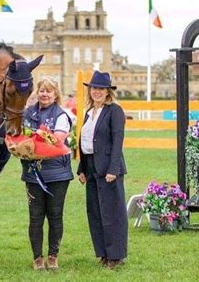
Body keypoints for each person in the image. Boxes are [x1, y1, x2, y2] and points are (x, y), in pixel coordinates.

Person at [20, 77, 73, 271]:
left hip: (58, 174)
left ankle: (53, 256)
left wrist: (32, 142)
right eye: (41, 90)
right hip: (33, 174)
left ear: (55, 94)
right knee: (35, 217)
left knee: (55, 216)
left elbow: (57, 140)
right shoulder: (27, 113)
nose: (44, 94)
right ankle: (37, 258)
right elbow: (18, 135)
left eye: (48, 91)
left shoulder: (62, 115)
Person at [77, 70, 128, 270]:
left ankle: (116, 256)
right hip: (91, 167)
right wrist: (82, 168)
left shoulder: (114, 111)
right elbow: (85, 143)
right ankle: (104, 253)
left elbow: (118, 142)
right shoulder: (89, 113)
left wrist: (113, 169)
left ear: (108, 92)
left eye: (101, 89)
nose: (97, 92)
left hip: (109, 168)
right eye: (94, 88)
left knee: (112, 212)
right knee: (96, 212)